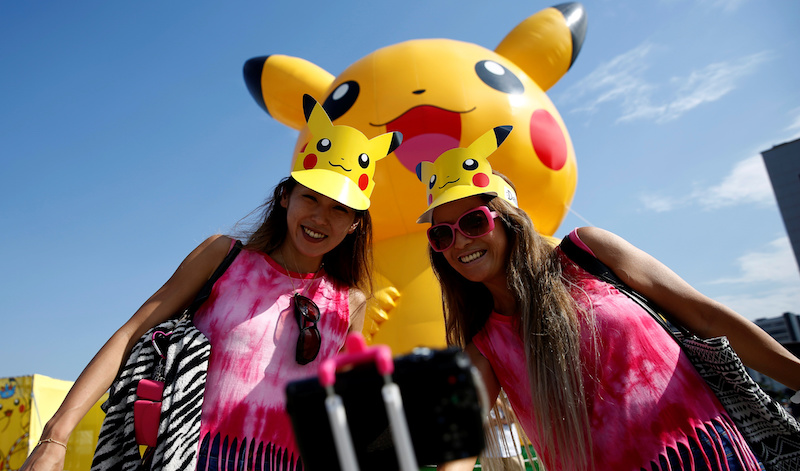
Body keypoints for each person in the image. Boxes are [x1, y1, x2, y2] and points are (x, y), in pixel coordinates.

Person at [20, 95, 402, 471]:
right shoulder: (223, 256)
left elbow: (341, 415)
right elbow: (131, 333)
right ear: (286, 197)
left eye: (339, 209)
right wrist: (56, 435)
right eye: (311, 198)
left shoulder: (350, 302)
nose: (321, 217)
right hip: (186, 459)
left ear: (354, 224)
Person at [415, 126, 800, 471]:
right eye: (442, 235)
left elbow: (706, 317)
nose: (460, 241)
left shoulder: (590, 251)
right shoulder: (484, 348)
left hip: (712, 456)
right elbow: (459, 441)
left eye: (474, 220)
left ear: (510, 221)